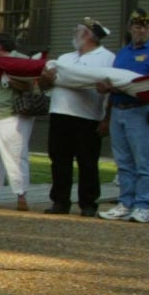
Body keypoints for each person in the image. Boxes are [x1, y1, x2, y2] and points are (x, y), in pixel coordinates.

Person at [39, 19, 114, 217]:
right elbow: (45, 85)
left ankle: (88, 203)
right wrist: (45, 80)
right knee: (59, 160)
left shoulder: (107, 58)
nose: (74, 33)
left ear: (88, 34)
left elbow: (112, 91)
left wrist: (107, 119)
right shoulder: (64, 58)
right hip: (59, 114)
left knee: (88, 162)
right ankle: (60, 201)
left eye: (78, 30)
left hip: (88, 117)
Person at [102, 10, 149, 223]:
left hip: (141, 110)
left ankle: (143, 205)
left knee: (143, 161)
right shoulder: (123, 53)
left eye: (145, 26)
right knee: (123, 162)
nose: (141, 30)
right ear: (130, 28)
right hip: (119, 108)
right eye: (137, 26)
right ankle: (125, 202)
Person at [0, 25, 45, 210]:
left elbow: (31, 84)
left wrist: (7, 77)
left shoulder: (20, 61)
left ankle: (21, 197)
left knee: (15, 156)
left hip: (11, 115)